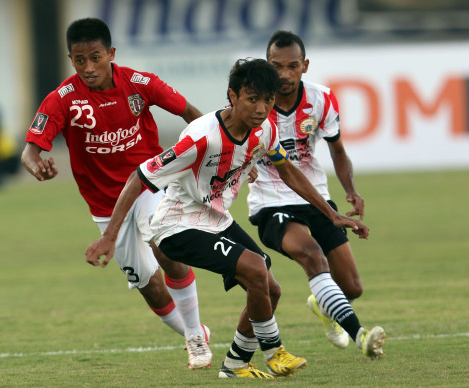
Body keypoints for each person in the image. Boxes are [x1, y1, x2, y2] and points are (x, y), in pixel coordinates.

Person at [86, 58, 381, 379]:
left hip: (216, 220)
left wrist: (332, 214)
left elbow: (288, 171)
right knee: (255, 269)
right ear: (233, 96)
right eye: (252, 99)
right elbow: (139, 177)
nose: (260, 108)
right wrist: (110, 236)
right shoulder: (201, 137)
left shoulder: (264, 131)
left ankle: (236, 363)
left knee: (270, 288)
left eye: (267, 101)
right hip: (177, 226)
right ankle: (274, 352)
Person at [22, 18, 212, 369]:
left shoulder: (141, 84)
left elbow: (194, 117)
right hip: (105, 206)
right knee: (149, 286)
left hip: (149, 184)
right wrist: (36, 166)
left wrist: (217, 153)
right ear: (71, 59)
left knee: (165, 243)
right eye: (80, 60)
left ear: (111, 53)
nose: (89, 67)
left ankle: (195, 339)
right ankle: (194, 329)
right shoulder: (62, 99)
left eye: (96, 57)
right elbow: (29, 151)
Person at [246, 30, 386, 357]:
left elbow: (337, 150)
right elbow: (232, 142)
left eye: (292, 66)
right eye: (276, 66)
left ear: (304, 65)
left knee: (351, 286)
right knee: (312, 254)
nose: (283, 74)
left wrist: (351, 190)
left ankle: (324, 304)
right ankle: (361, 336)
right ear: (266, 65)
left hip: (316, 198)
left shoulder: (321, 99)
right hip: (271, 201)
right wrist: (244, 165)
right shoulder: (252, 102)